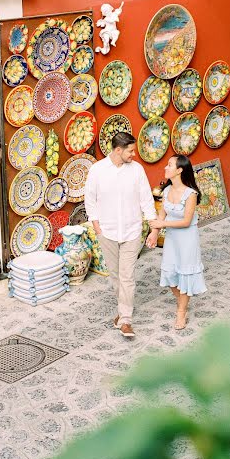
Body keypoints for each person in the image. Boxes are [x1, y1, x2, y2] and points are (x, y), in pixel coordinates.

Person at [84, 132, 156, 338]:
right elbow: (90, 200)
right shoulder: (97, 170)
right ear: (118, 150)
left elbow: (146, 199)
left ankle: (125, 319)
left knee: (127, 276)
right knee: (115, 275)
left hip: (132, 231)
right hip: (107, 232)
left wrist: (153, 228)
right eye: (131, 151)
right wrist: (97, 227)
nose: (134, 154)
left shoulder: (137, 170)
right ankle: (122, 311)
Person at [148, 155, 206, 330]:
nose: (166, 167)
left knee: (185, 274)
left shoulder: (191, 194)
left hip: (187, 239)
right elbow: (162, 215)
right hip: (172, 239)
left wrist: (162, 224)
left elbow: (186, 221)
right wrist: (154, 233)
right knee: (170, 274)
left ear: (180, 170)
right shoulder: (166, 191)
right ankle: (182, 302)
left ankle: (181, 311)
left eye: (169, 165)